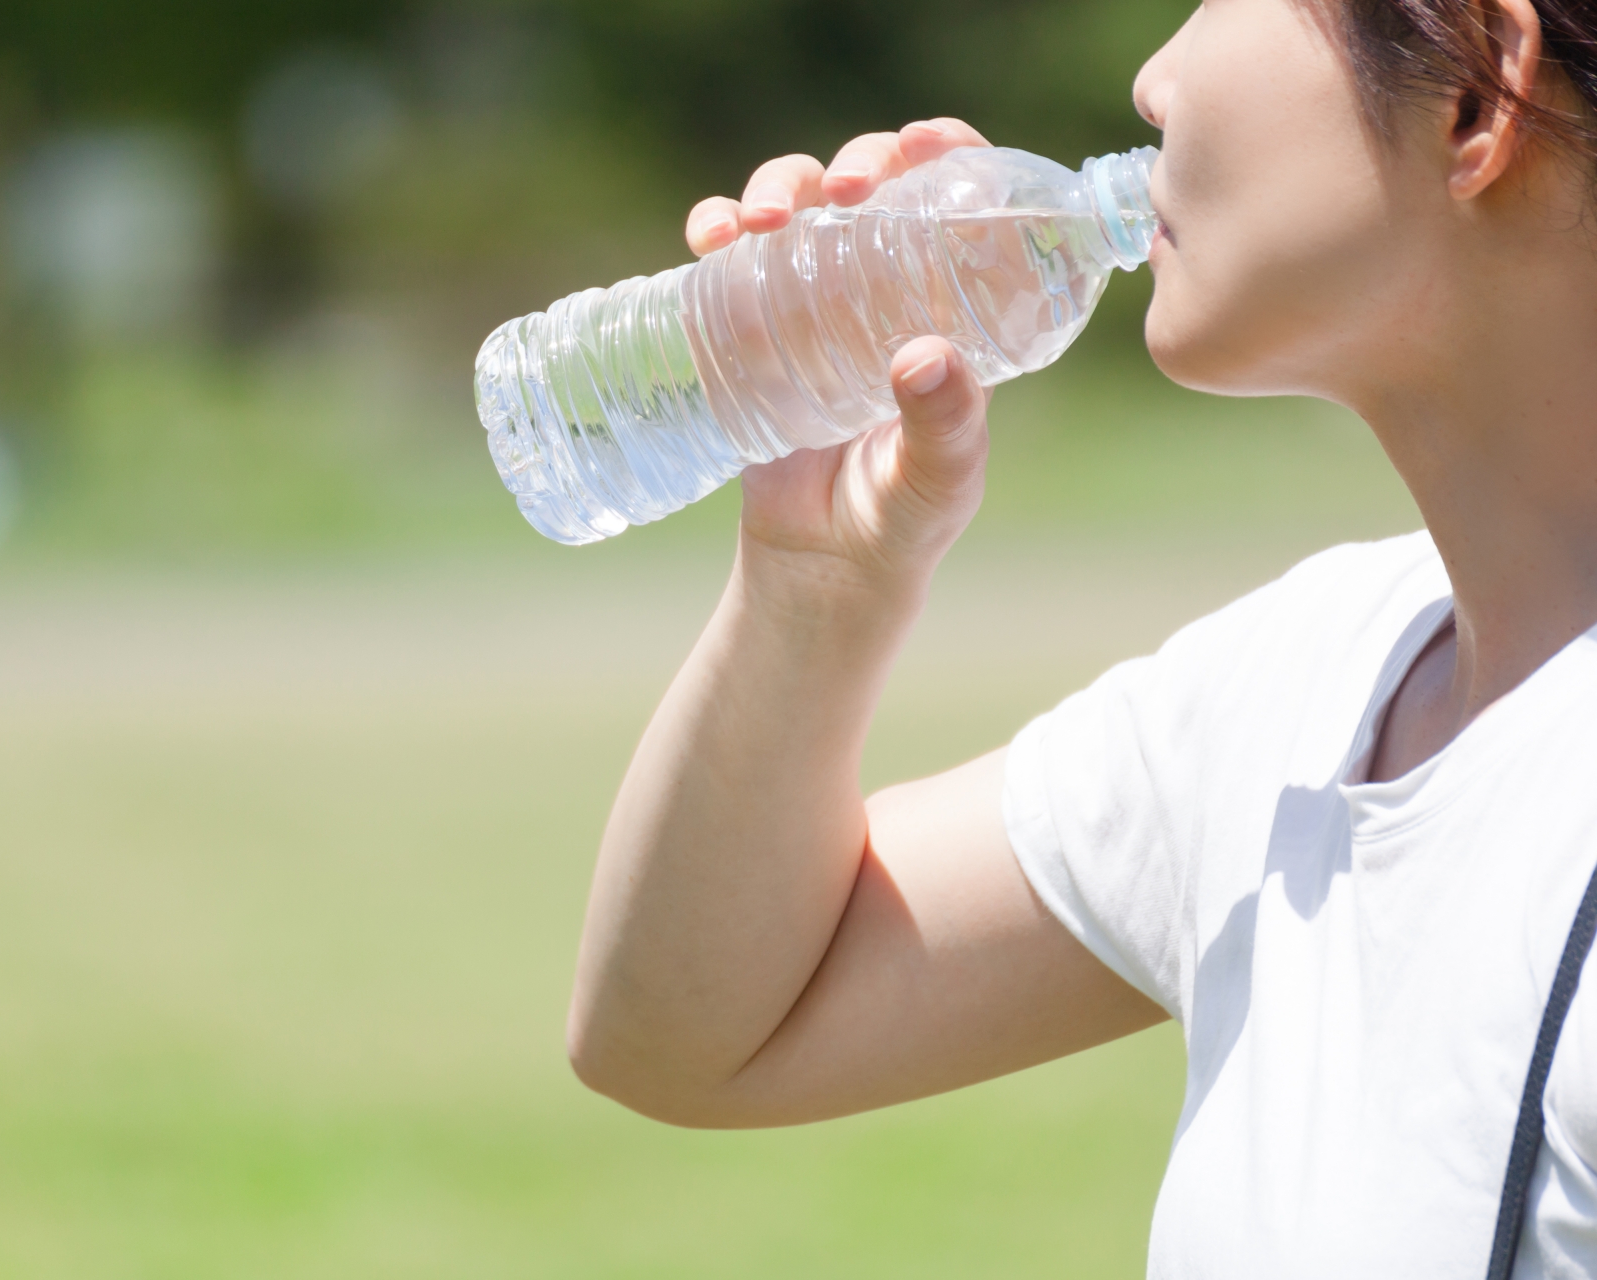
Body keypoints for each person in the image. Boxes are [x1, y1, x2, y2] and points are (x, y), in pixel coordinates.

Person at [563, 0, 1597, 1274]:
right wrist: (815, 586)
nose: (1156, 77)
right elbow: (681, 1034)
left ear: (1474, 100)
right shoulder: (1298, 690)